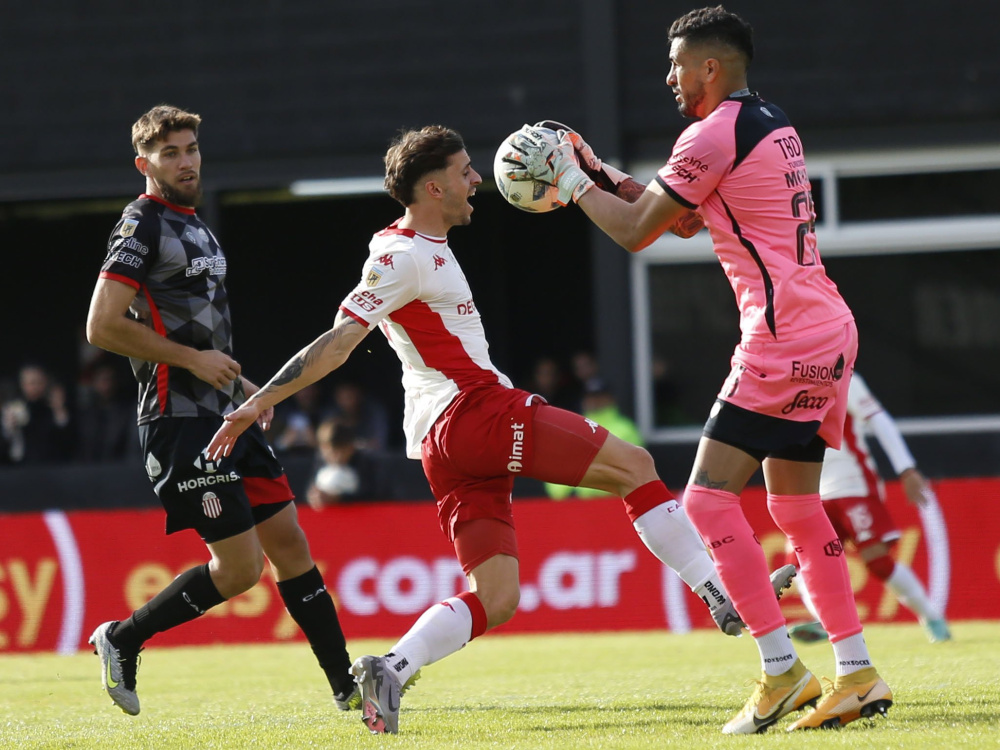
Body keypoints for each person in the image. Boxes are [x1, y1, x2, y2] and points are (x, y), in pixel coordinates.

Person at [205, 125, 794, 735]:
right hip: (474, 413)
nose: (478, 180)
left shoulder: (405, 245)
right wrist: (258, 402)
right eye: (464, 172)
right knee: (636, 467)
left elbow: (360, 323)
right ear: (432, 187)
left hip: (446, 444)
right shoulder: (402, 255)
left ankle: (391, 667)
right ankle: (720, 594)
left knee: (497, 597)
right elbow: (337, 344)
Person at [504, 6, 891, 733]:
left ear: (711, 67)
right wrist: (595, 170)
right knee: (798, 510)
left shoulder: (710, 132)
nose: (670, 78)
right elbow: (680, 217)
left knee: (709, 503)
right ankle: (858, 673)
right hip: (828, 328)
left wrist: (572, 182)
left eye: (679, 65)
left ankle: (781, 671)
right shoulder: (770, 122)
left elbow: (634, 233)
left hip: (780, 338)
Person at [84, 104, 357, 717]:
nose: (186, 161)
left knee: (290, 542)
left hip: (224, 412)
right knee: (240, 571)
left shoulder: (197, 225)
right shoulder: (141, 225)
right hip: (176, 420)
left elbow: (207, 340)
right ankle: (122, 638)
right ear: (144, 164)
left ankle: (349, 688)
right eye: (171, 153)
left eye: (191, 149)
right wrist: (192, 360)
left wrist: (243, 390)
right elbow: (101, 326)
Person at [787, 372, 950, 644]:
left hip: (852, 483)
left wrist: (906, 468)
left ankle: (932, 617)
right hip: (809, 491)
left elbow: (879, 419)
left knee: (877, 560)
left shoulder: (839, 374)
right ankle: (825, 624)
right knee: (798, 565)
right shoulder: (780, 377)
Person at [545, 379, 643, 499]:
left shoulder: (626, 429)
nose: (594, 401)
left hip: (612, 503)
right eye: (590, 397)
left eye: (599, 396)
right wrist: (564, 493)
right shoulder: (572, 428)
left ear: (610, 399)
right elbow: (555, 468)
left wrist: (586, 493)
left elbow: (626, 472)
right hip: (571, 506)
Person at [1, 363, 74, 464]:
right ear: (22, 385)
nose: (36, 387)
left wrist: (59, 410)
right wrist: (9, 428)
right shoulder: (15, 409)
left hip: (53, 466)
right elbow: (8, 447)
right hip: (22, 467)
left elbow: (67, 441)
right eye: (31, 383)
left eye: (39, 382)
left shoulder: (53, 408)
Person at [306, 419, 383, 508]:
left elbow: (371, 496)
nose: (335, 458)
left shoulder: (364, 463)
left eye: (339, 452)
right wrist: (314, 496)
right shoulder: (320, 461)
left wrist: (340, 498)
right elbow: (311, 491)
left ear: (351, 448)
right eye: (329, 453)